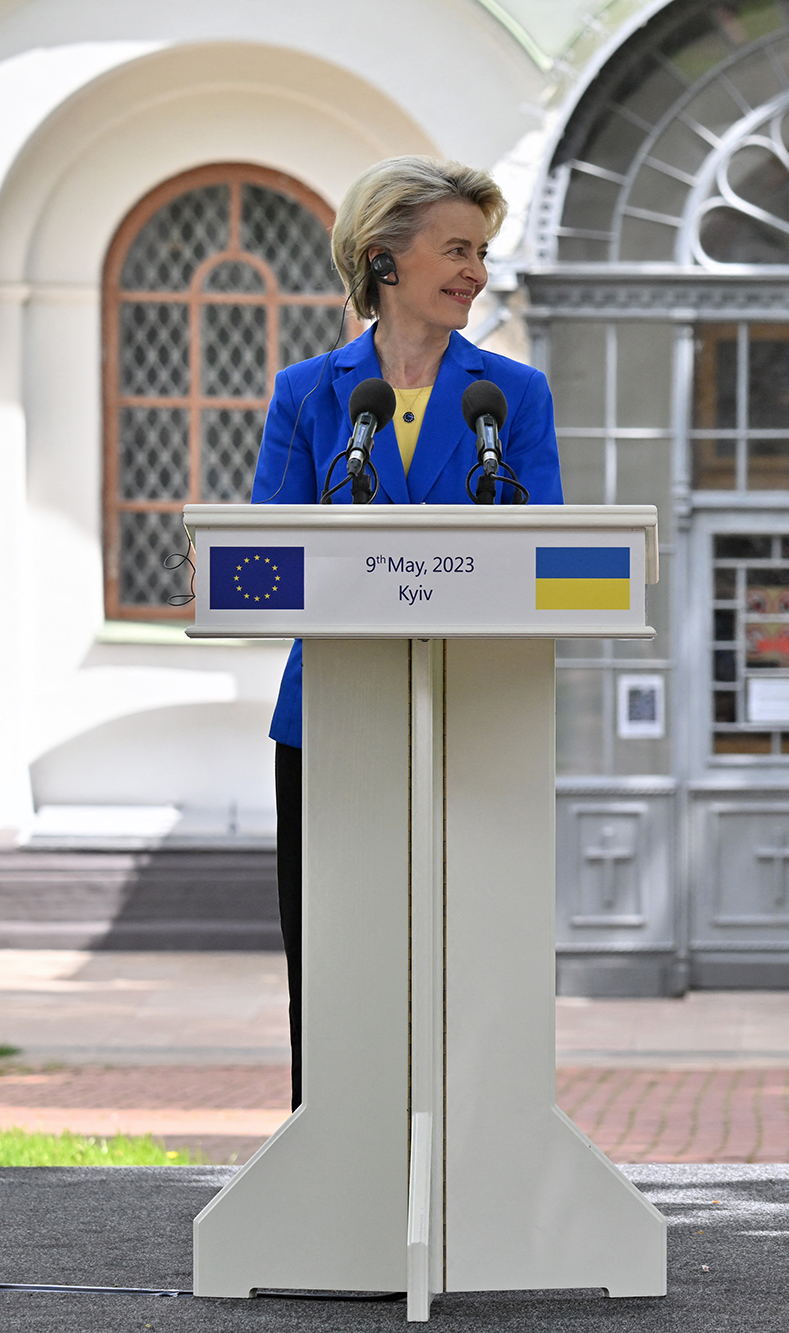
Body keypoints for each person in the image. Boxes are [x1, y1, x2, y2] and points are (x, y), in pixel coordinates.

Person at [250, 156, 565, 1108]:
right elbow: (264, 555)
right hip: (333, 720)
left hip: (478, 716)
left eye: (481, 251)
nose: (474, 270)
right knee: (336, 951)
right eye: (456, 248)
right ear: (385, 260)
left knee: (467, 948)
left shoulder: (512, 395)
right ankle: (331, 1145)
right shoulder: (309, 392)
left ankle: (476, 1141)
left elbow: (550, 554)